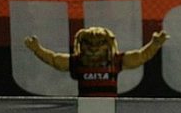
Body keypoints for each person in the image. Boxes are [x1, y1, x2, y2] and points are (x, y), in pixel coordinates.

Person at [24, 27, 169, 97]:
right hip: (85, 109)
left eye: (99, 44)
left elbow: (141, 56)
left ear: (108, 44)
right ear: (80, 44)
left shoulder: (115, 61)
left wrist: (154, 44)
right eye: (89, 43)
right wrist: (38, 49)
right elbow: (55, 60)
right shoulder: (77, 61)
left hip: (111, 109)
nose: (94, 48)